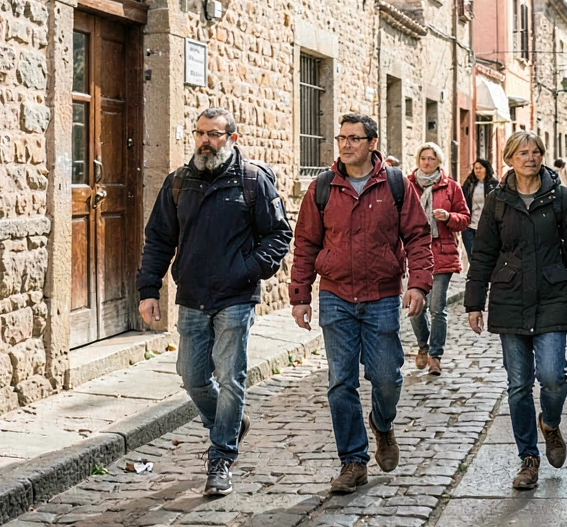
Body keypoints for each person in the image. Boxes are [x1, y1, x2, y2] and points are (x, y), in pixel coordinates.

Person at [137, 108, 293, 497]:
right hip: (193, 296)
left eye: (214, 134)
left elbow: (278, 234)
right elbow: (159, 239)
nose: (205, 141)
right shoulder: (178, 182)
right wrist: (148, 290)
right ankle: (229, 424)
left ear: (232, 138)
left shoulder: (252, 180)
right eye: (200, 133)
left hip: (236, 297)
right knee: (191, 375)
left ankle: (221, 457)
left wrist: (247, 270)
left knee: (230, 376)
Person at [289, 114, 433, 495]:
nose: (346, 144)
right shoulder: (322, 187)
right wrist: (300, 295)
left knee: (387, 377)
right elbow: (305, 244)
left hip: (382, 295)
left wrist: (418, 284)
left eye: (354, 138)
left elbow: (418, 237)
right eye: (342, 138)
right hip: (335, 295)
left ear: (372, 143)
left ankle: (382, 425)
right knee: (341, 381)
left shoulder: (396, 184)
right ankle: (353, 462)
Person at [465, 131, 567, 491]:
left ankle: (550, 423)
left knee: (553, 377)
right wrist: (474, 302)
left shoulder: (560, 196)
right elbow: (483, 253)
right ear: (509, 158)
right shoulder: (497, 200)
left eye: (536, 151)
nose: (530, 157)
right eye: (522, 152)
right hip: (509, 298)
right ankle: (529, 457)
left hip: (551, 294)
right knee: (518, 384)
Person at [408, 142, 471, 375]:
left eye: (431, 159)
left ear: (438, 162)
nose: (427, 162)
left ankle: (435, 355)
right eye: (423, 158)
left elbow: (465, 218)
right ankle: (423, 346)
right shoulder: (408, 186)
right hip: (415, 254)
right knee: (416, 307)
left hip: (442, 253)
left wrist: (448, 217)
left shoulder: (451, 187)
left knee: (437, 307)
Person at [461, 159, 498, 262]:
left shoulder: (494, 185)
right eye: (475, 168)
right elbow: (461, 200)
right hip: (469, 226)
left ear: (486, 169)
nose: (477, 171)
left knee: (485, 257)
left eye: (480, 168)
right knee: (472, 256)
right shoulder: (469, 184)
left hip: (486, 227)